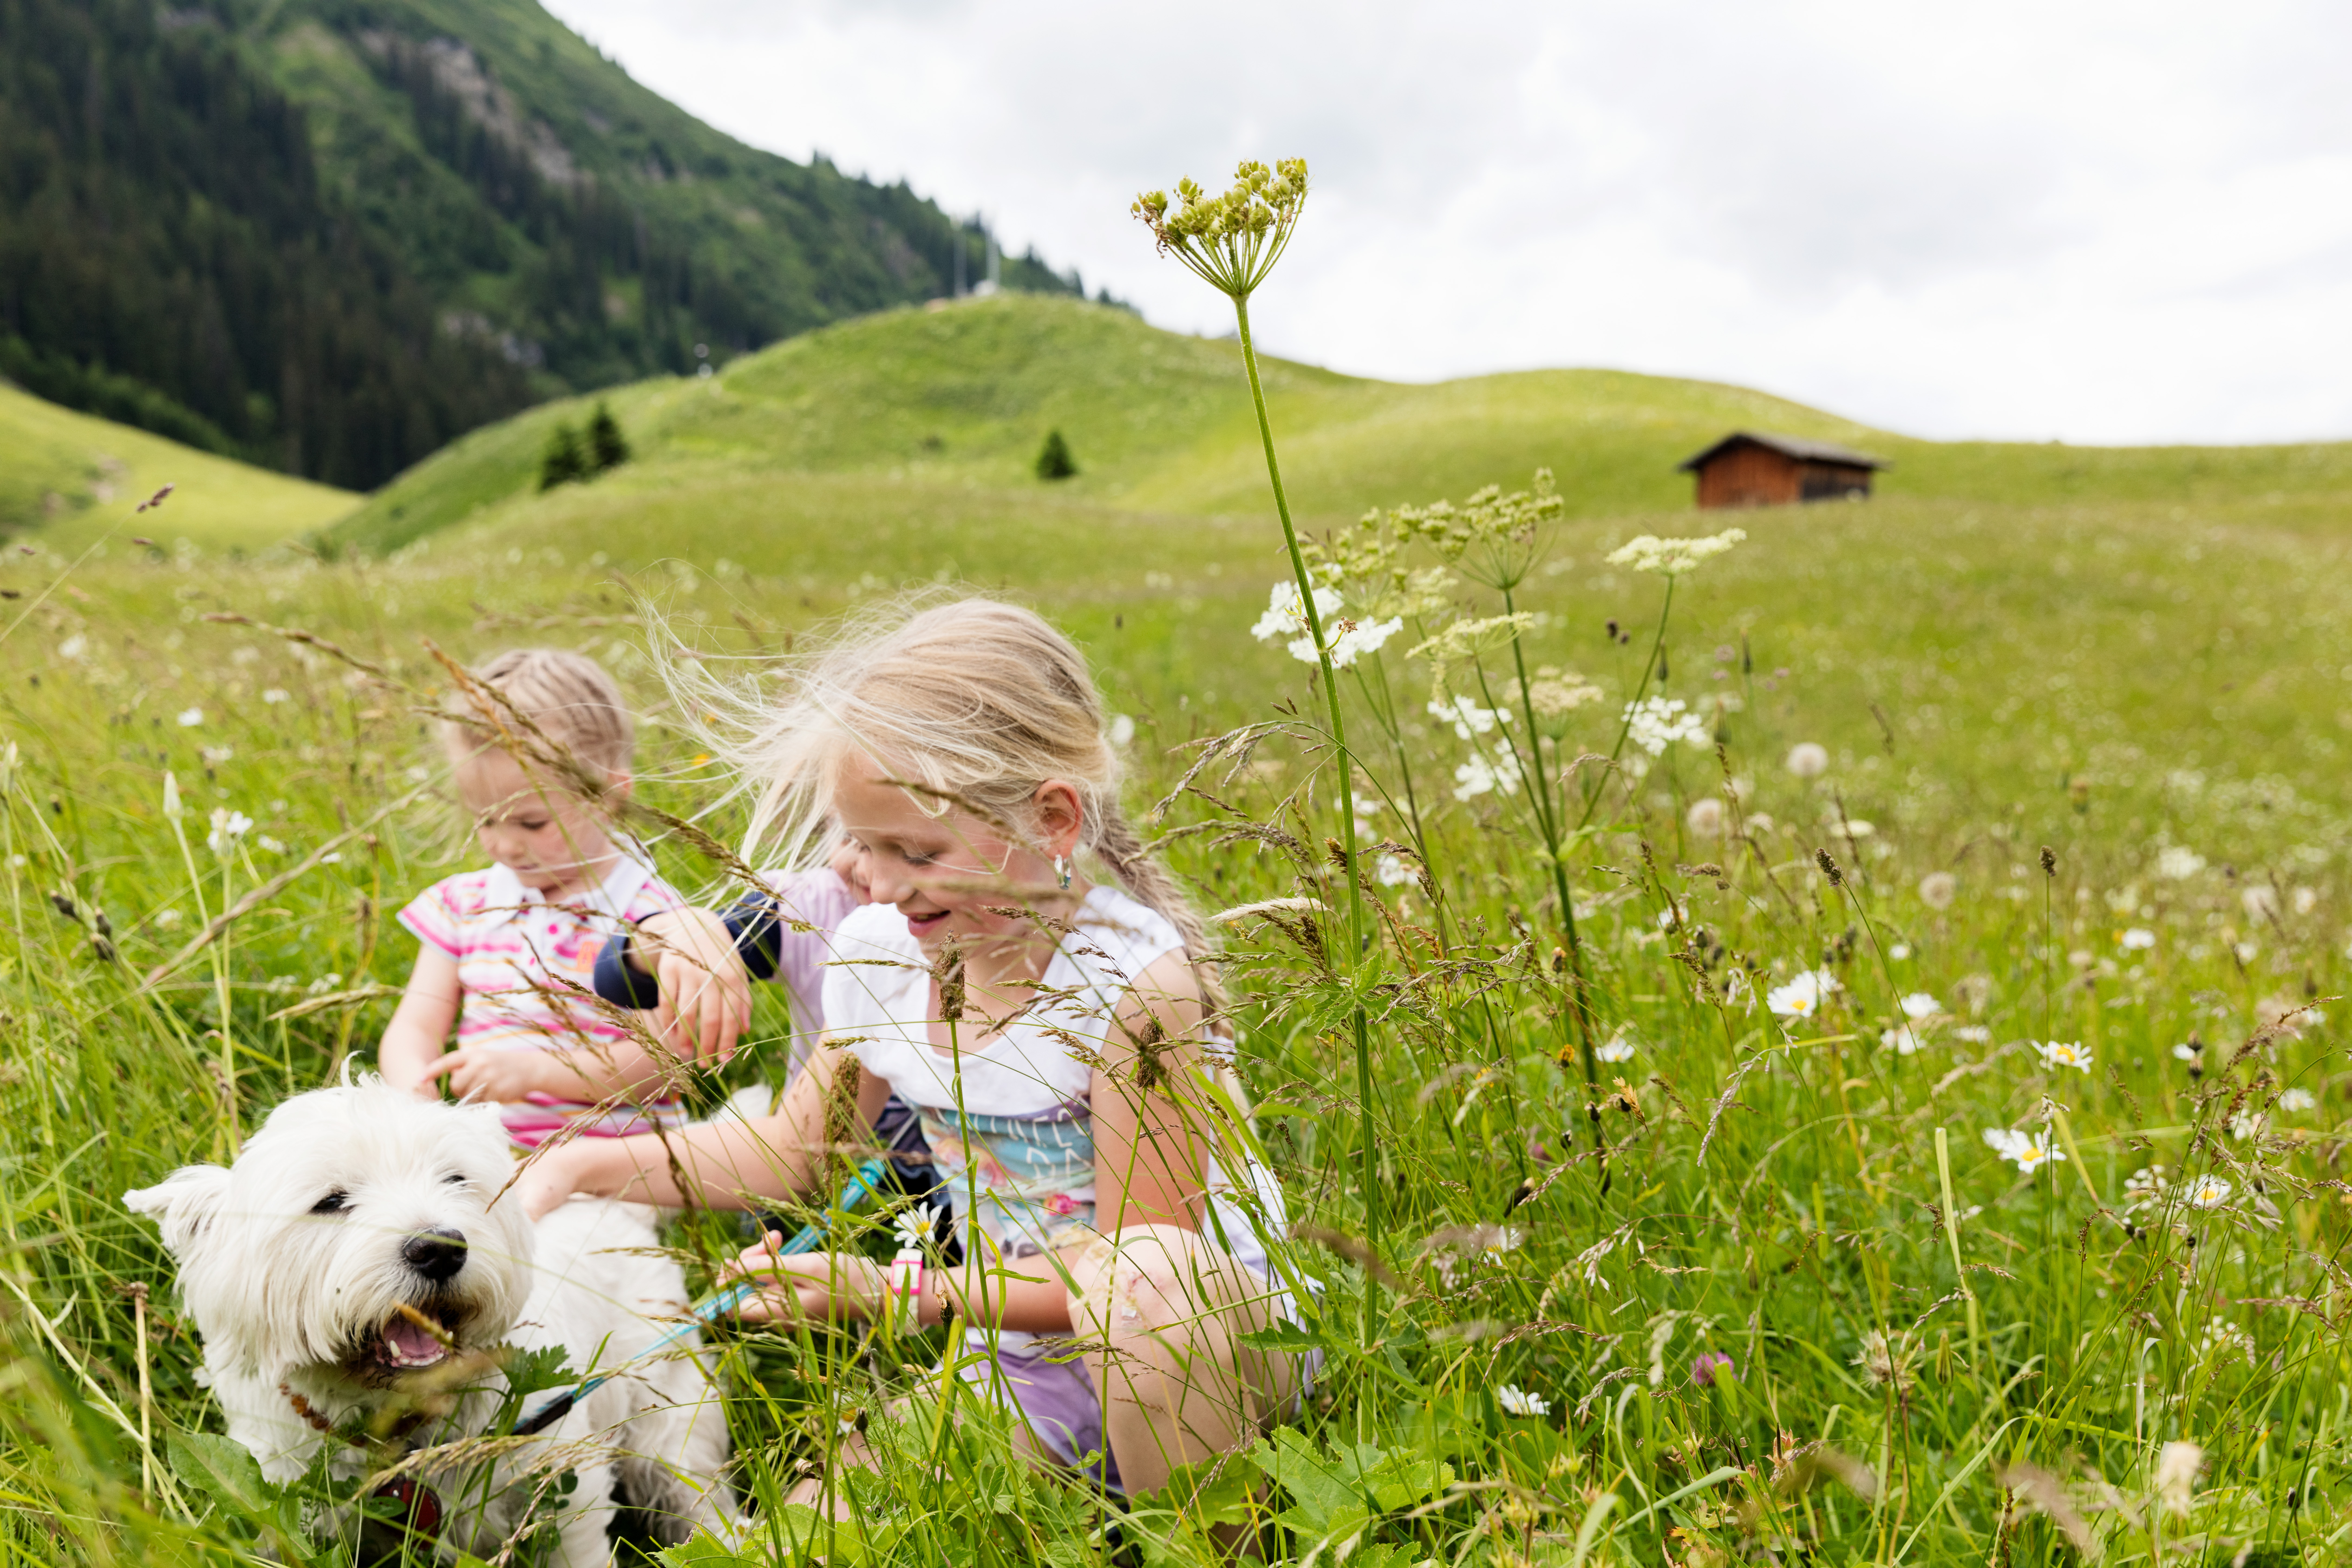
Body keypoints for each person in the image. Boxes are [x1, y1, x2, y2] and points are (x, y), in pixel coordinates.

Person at [512, 599, 1308, 1499]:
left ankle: (1205, 1542)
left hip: (1200, 1354)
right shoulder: (883, 956)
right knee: (821, 1522)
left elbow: (1123, 1280)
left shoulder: (1135, 991)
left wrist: (893, 1293)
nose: (878, 884)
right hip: (1015, 1350)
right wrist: (577, 1164)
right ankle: (1086, 1490)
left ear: (1052, 818)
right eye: (856, 842)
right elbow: (787, 1154)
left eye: (916, 852)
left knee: (1148, 1289)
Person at [378, 648, 735, 1145]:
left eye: (531, 822)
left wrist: (535, 1073)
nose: (503, 844)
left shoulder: (648, 918)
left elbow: (662, 1066)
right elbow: (415, 1025)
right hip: (490, 1158)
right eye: (485, 819)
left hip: (617, 1165)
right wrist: (418, 1097)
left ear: (609, 796)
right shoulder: (465, 906)